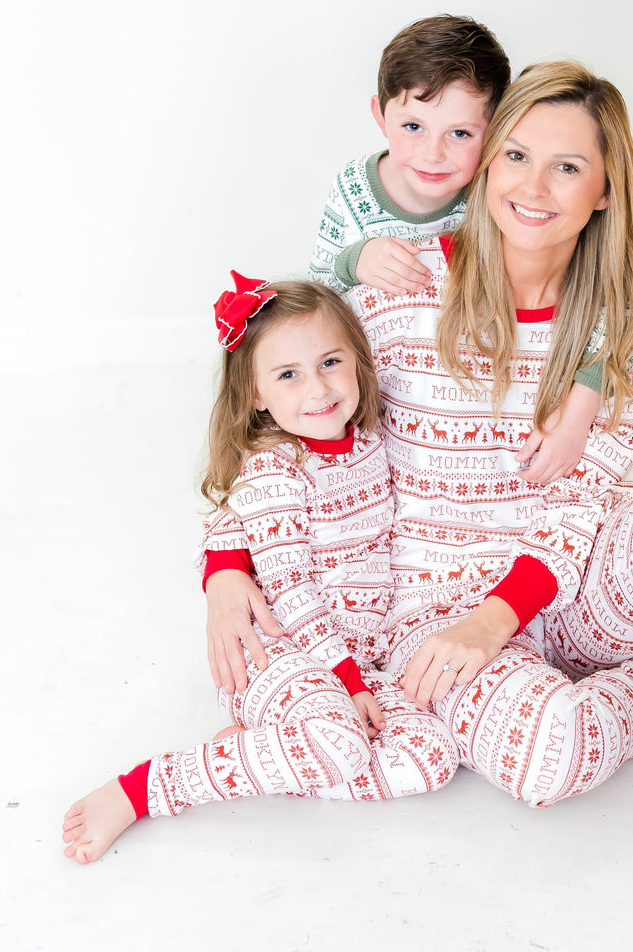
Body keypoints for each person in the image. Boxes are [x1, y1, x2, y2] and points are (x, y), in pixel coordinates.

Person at [206, 62, 633, 952]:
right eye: (514, 154)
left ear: (604, 192)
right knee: (550, 760)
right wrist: (227, 560)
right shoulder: (399, 293)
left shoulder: (626, 322)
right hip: (435, 613)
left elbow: (587, 501)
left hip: (573, 587)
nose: (530, 184)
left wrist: (504, 615)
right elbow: (293, 416)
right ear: (484, 165)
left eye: (566, 167)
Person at [62, 275, 459, 865]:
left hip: (358, 656)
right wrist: (348, 682)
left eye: (330, 361)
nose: (319, 388)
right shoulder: (275, 471)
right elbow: (293, 594)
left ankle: (265, 755)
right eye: (288, 375)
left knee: (432, 756)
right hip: (279, 651)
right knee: (341, 747)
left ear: (358, 359)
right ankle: (147, 788)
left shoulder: (371, 444)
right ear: (254, 394)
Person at [309, 13, 602, 485]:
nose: (432, 154)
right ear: (380, 115)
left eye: (460, 134)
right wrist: (355, 259)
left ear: (495, 131)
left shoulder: (500, 193)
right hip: (380, 381)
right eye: (412, 127)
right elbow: (318, 289)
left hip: (471, 379)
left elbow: (596, 304)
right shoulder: (353, 188)